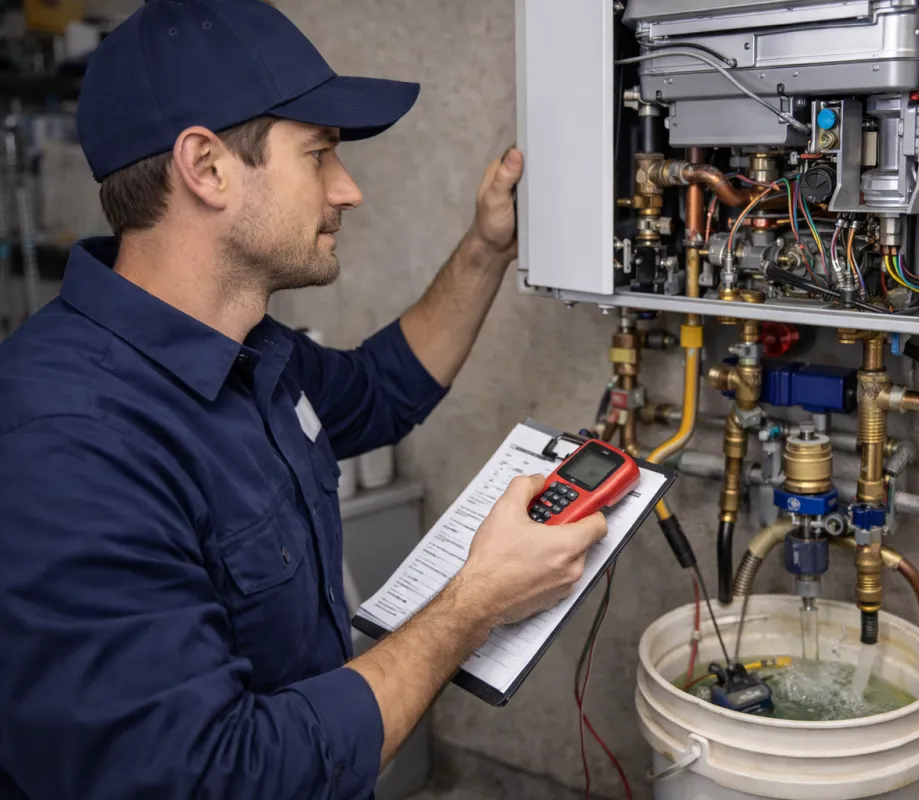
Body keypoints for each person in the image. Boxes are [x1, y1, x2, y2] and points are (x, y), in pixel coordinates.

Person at [0, 1, 608, 797]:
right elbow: (217, 778)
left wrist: (488, 246)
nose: (347, 189)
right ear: (207, 167)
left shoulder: (254, 354)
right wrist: (472, 604)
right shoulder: (68, 445)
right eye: (319, 154)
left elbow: (384, 390)